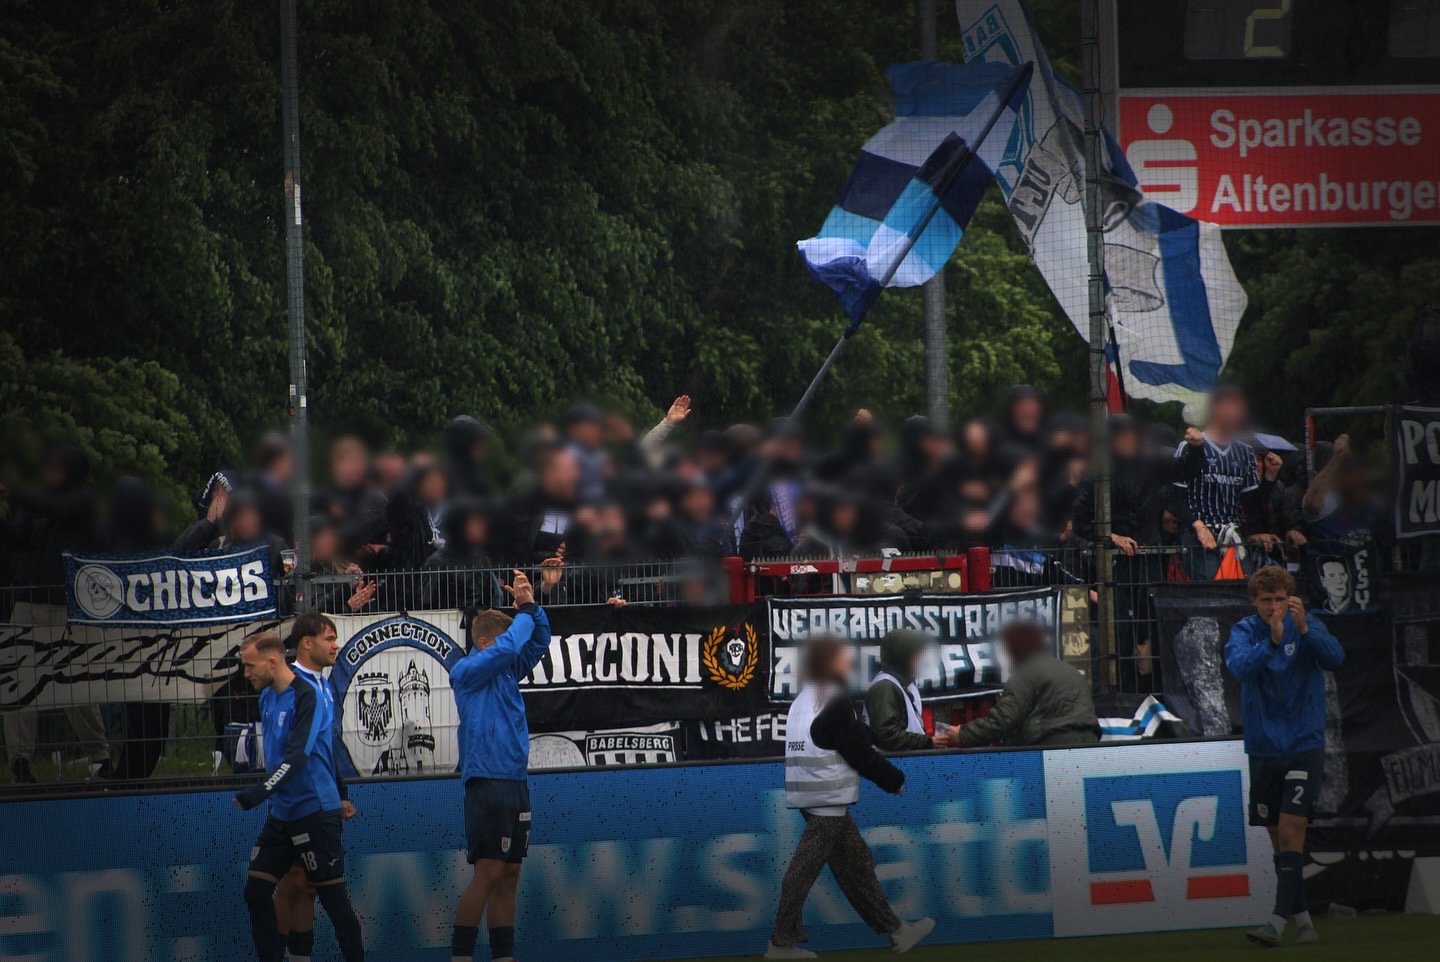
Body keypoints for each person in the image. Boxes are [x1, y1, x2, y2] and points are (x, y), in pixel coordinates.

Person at [766, 635, 934, 959]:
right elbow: (856, 751)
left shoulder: (804, 699)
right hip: (827, 797)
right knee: (803, 871)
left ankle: (898, 931)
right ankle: (780, 944)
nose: (850, 659)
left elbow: (848, 735)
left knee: (857, 863)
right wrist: (893, 780)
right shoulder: (835, 699)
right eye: (843, 654)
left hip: (810, 794)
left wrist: (872, 735)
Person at [1223, 566, 1344, 948]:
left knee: (1292, 829)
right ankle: (1304, 922)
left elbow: (1335, 658)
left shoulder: (1308, 625)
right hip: (1263, 747)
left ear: (1291, 599)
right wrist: (1271, 643)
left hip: (1303, 743)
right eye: (1266, 600)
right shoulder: (1244, 632)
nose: (1274, 607)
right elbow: (1241, 669)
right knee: (1278, 837)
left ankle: (1276, 923)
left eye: (1280, 599)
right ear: (1254, 601)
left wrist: (1304, 630)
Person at [233, 631, 364, 962]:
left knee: (332, 899)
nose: (245, 673)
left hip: (314, 810)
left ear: (272, 662)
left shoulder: (307, 695)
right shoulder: (267, 697)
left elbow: (298, 757)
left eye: (249, 666)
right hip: (283, 811)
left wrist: (258, 792)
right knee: (256, 891)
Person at [448, 571, 552, 962]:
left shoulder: (505, 668)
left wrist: (533, 609)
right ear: (484, 643)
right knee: (489, 873)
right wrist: (524, 610)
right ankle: (461, 957)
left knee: (509, 875)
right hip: (487, 780)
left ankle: (503, 957)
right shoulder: (466, 671)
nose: (512, 646)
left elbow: (539, 640)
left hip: (514, 780)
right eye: (505, 640)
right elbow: (512, 646)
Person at [0, 444, 111, 782]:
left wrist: (13, 492)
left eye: (57, 467)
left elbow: (58, 508)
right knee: (17, 681)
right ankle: (19, 761)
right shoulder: (38, 502)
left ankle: (100, 757)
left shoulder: (84, 499)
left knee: (75, 685)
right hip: (28, 602)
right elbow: (16, 537)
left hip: (65, 606)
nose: (50, 473)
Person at [271, 613, 360, 962]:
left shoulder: (322, 685)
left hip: (320, 801)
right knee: (298, 887)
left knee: (301, 884)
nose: (336, 645)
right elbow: (290, 751)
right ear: (307, 643)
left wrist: (340, 794)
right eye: (329, 638)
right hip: (303, 805)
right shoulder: (291, 687)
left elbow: (325, 748)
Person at [1170, 385, 1273, 579]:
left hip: (1234, 538)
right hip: (1199, 538)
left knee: (1242, 591)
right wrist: (1198, 526)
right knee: (1211, 592)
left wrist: (1269, 478)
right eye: (1233, 407)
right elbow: (1173, 498)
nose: (1238, 414)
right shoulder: (1189, 446)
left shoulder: (1245, 452)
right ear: (1216, 409)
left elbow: (1252, 506)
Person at [946, 622, 1099, 748]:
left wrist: (963, 735)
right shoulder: (1070, 670)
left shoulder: (1025, 674)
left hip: (1051, 748)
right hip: (1089, 746)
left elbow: (1003, 721)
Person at [864, 629, 947, 752]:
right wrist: (927, 742)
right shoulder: (884, 687)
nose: (920, 659)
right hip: (891, 761)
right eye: (915, 655)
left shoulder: (905, 684)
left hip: (906, 760)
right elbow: (886, 736)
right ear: (901, 657)